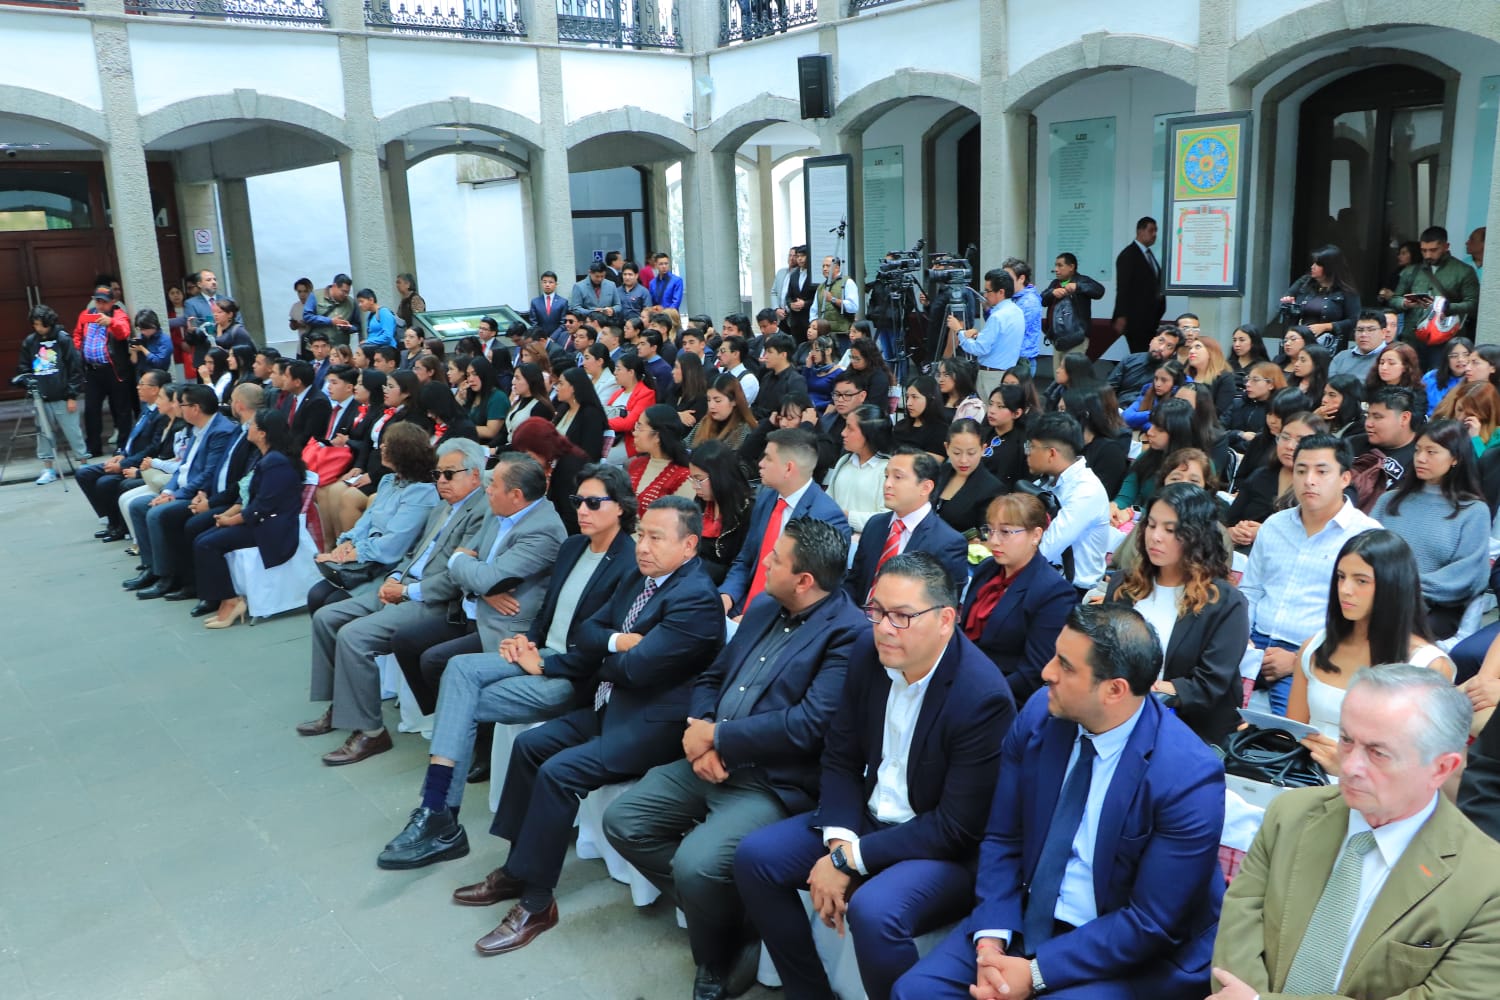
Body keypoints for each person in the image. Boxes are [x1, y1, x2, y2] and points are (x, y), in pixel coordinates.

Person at [893, 604, 1226, 1000]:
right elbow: (1003, 838)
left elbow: (1150, 923)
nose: (1046, 672)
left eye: (1066, 666)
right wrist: (991, 941)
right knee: (914, 991)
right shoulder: (1041, 714)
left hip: (1124, 950)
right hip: (1025, 918)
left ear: (1114, 690)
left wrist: (1035, 973)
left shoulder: (1188, 777)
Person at [603, 518, 868, 1000]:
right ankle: (740, 917)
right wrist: (702, 732)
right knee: (623, 821)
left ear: (804, 580)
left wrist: (719, 738)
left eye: (776, 559)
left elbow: (807, 725)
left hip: (771, 782)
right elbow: (712, 676)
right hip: (709, 757)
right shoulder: (765, 605)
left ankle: (714, 956)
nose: (764, 562)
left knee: (695, 865)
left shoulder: (848, 634)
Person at [737, 551, 1017, 1000]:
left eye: (902, 616)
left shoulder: (981, 697)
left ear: (945, 620)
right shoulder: (869, 653)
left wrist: (849, 860)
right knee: (756, 858)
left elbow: (956, 827)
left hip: (939, 849)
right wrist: (840, 843)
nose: (884, 627)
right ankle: (808, 992)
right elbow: (840, 755)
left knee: (874, 910)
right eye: (877, 611)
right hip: (867, 819)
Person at [454, 497, 722, 955]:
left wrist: (607, 657)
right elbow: (587, 630)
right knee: (530, 746)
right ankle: (518, 868)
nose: (643, 546)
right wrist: (617, 643)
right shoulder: (641, 576)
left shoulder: (695, 598)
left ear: (689, 545)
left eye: (657, 538)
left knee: (559, 772)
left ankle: (537, 903)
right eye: (642, 535)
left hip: (654, 724)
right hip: (611, 706)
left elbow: (637, 670)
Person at [374, 464, 638, 869]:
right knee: (458, 670)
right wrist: (525, 639)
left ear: (620, 507)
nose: (582, 510)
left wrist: (546, 664)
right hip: (536, 653)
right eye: (577, 501)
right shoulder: (573, 546)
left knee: (457, 701)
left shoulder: (629, 562)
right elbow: (546, 610)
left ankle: (439, 815)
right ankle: (438, 812)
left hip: (571, 675)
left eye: (593, 502)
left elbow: (604, 642)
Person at [1209, 665, 1499, 1000]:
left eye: (1378, 753)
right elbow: (1238, 934)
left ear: (1442, 768)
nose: (1349, 766)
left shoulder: (1486, 882)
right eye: (1346, 740)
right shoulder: (1290, 814)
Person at [297, 440, 491, 761]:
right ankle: (342, 707)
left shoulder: (482, 513)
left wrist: (406, 591)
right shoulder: (443, 506)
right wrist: (396, 577)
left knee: (353, 636)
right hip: (404, 586)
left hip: (434, 602)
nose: (441, 481)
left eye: (449, 474)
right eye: (437, 474)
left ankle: (372, 733)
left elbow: (456, 578)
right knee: (326, 618)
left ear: (474, 475)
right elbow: (414, 552)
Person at [1287, 532, 1453, 776]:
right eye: (1341, 577)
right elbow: (1293, 733)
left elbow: (1422, 767)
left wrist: (1350, 768)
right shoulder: (1315, 647)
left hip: (1378, 789)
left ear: (1393, 586)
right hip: (1301, 777)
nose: (1345, 590)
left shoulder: (1429, 666)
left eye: (1361, 581)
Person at [1239, 433, 1381, 714]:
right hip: (1254, 641)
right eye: (1301, 471)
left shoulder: (1366, 537)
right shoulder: (1274, 525)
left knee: (1286, 734)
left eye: (1321, 471)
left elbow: (1363, 620)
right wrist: (1242, 639)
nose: (1309, 480)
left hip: (1315, 653)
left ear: (1345, 478)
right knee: (1210, 714)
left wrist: (1300, 658)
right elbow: (1251, 590)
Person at [1105, 483, 1250, 743]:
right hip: (1117, 716)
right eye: (1151, 525)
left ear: (1197, 536)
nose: (1155, 536)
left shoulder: (1226, 603)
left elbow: (1210, 684)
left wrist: (1150, 689)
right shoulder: (1123, 585)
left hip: (1189, 730)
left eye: (1170, 530)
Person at [1370, 418, 1489, 638]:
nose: (1420, 458)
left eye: (1431, 452)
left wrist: (1404, 585)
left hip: (1435, 607)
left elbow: (1469, 573)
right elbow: (1365, 550)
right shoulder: (1389, 500)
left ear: (1455, 458)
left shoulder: (1473, 511)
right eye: (1417, 450)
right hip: (1377, 596)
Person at [122, 384, 240, 597]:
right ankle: (151, 567)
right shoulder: (195, 429)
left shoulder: (220, 431)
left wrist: (176, 496)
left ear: (195, 408)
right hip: (183, 488)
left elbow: (208, 474)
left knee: (158, 513)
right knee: (138, 506)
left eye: (182, 404)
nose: (179, 408)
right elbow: (182, 468)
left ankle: (167, 577)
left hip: (198, 494)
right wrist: (168, 492)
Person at [720, 427, 850, 618]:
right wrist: (727, 595)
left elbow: (811, 591)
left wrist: (756, 618)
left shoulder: (827, 517)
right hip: (742, 605)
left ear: (788, 468)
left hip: (782, 617)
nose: (760, 464)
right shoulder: (766, 497)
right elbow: (746, 559)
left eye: (768, 458)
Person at [193, 408, 305, 629]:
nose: (248, 429)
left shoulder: (276, 462)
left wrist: (230, 521)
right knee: (201, 538)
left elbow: (261, 507)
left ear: (262, 433)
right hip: (261, 522)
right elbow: (251, 500)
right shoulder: (266, 457)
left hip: (272, 529)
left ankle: (231, 601)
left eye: (252, 425)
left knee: (207, 544)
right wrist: (227, 516)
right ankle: (225, 599)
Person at [310, 422, 439, 612]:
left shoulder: (421, 494)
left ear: (403, 451)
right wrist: (348, 542)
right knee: (316, 595)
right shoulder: (388, 481)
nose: (382, 447)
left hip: (390, 567)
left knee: (332, 602)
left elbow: (394, 544)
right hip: (369, 557)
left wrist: (348, 556)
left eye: (388, 444)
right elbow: (366, 521)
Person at [961, 492, 1076, 704]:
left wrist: (978, 693)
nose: (993, 541)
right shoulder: (987, 569)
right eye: (990, 530)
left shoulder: (1053, 592)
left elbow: (1034, 671)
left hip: (1002, 697)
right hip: (961, 675)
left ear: (1036, 535)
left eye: (1005, 532)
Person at [846, 446, 969, 602]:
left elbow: (944, 604)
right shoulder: (875, 525)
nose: (887, 484)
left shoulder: (947, 543)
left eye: (898, 477)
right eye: (886, 476)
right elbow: (855, 583)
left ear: (925, 487)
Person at [1026, 412, 1112, 596]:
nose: (1028, 452)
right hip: (1046, 576)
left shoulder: (1086, 491)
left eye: (1032, 446)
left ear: (1051, 453)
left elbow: (1047, 548)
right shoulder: (1049, 480)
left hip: (1073, 591)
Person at [78, 370, 172, 537]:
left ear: (155, 389)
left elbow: (153, 448)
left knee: (105, 482)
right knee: (83, 473)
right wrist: (121, 453)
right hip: (128, 457)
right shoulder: (147, 409)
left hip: (139, 463)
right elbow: (133, 437)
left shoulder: (162, 415)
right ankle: (107, 518)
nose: (138, 387)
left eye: (142, 384)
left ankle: (119, 527)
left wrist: (123, 465)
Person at [1225, 411, 1327, 550]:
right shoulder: (1260, 475)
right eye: (1285, 437)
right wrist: (1232, 533)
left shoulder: (1319, 487)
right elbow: (1230, 520)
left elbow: (1315, 540)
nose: (1290, 446)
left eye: (1300, 440)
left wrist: (1266, 533)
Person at [18, 304, 89, 485]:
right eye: (35, 324)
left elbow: (75, 368)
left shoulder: (63, 339)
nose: (38, 328)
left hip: (63, 396)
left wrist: (72, 395)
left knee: (73, 431)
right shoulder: (30, 342)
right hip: (40, 397)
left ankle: (83, 464)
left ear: (49, 322)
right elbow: (24, 367)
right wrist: (30, 385)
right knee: (43, 434)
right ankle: (48, 468)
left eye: (40, 324)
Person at [1392, 225, 1482, 364]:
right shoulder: (1411, 270)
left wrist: (1444, 306)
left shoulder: (1464, 271)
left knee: (1440, 375)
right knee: (1410, 375)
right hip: (1412, 337)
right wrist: (1405, 303)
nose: (1428, 255)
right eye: (1424, 250)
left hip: (1445, 337)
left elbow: (1474, 304)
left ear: (1446, 246)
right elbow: (1394, 299)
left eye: (1433, 250)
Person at [1111, 396, 1198, 524]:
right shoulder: (1146, 457)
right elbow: (1125, 497)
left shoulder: (1195, 467)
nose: (1150, 432)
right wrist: (1114, 507)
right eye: (1152, 425)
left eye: (1159, 429)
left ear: (1178, 433)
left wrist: (1132, 513)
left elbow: (1178, 512)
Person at [71, 287, 134, 458]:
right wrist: (78, 350)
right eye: (98, 301)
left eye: (104, 302)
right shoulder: (86, 314)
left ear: (112, 302)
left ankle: (123, 446)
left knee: (121, 409)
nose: (100, 305)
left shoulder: (118, 315)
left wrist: (110, 322)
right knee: (91, 409)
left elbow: (124, 333)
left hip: (114, 370)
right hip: (93, 370)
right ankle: (93, 447)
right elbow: (77, 335)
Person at [949, 269, 1024, 399]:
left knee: (989, 410)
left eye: (988, 291)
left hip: (991, 376)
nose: (985, 295)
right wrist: (978, 336)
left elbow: (979, 349)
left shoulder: (997, 316)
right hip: (1008, 373)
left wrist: (959, 331)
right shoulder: (1017, 311)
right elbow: (1001, 340)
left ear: (1001, 292)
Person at [824, 404, 893, 533]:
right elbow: (828, 500)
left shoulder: (887, 470)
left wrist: (846, 517)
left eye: (850, 428)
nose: (843, 433)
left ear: (869, 435)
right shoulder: (844, 461)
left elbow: (887, 518)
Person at [1280, 245, 1363, 351]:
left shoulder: (1346, 291)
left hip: (1328, 346)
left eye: (1318, 264)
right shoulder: (1305, 282)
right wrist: (1288, 303)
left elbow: (1354, 321)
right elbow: (1285, 299)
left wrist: (1326, 326)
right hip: (1299, 341)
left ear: (1330, 267)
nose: (1312, 267)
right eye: (1313, 263)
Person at [933, 418, 1005, 537]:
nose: (963, 460)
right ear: (947, 448)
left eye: (971, 453)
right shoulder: (940, 471)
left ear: (983, 449)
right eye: (957, 453)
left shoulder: (992, 488)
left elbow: (986, 535)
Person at [1351, 384, 1424, 497]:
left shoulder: (1420, 459)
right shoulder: (1353, 443)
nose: (1368, 424)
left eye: (1377, 417)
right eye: (1367, 416)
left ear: (1404, 418)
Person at [627, 404, 696, 519]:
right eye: (636, 426)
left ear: (657, 436)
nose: (634, 433)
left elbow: (680, 522)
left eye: (640, 427)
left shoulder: (683, 477)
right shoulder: (636, 465)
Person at [1061, 385, 1130, 497]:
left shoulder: (1109, 452)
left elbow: (1096, 497)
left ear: (1084, 415)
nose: (1058, 417)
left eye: (1063, 411)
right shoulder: (1066, 444)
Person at [1112, 217, 1166, 353]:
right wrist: (1121, 315)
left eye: (1156, 231)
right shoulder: (1128, 255)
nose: (1154, 234)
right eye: (1151, 230)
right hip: (1136, 320)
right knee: (1140, 355)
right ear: (1140, 231)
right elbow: (1123, 288)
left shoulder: (1149, 254)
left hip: (1151, 319)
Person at [1107, 325, 1181, 409]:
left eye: (1169, 346)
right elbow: (1110, 388)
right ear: (1152, 341)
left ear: (1173, 353)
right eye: (1160, 341)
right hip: (1118, 409)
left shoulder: (1171, 372)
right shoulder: (1129, 360)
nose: (1161, 348)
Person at [980, 383, 1032, 491]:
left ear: (1017, 413)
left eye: (1000, 406)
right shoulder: (981, 433)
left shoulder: (1025, 443)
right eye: (991, 404)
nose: (992, 411)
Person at [604, 354, 656, 458]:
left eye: (618, 369)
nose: (615, 373)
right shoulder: (617, 393)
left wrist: (602, 422)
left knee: (600, 458)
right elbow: (606, 413)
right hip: (610, 438)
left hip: (628, 443)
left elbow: (629, 423)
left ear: (631, 372)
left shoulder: (646, 394)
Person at [690, 373, 757, 452]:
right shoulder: (705, 421)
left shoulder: (744, 431)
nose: (711, 406)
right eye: (708, 400)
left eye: (717, 400)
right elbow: (685, 446)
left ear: (734, 401)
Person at [551, 366, 606, 460]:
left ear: (573, 388)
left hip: (575, 465)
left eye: (561, 384)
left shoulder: (591, 414)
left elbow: (590, 452)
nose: (557, 388)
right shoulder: (563, 408)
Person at [1122, 357, 1186, 431]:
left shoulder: (1180, 401)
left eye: (1164, 380)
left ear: (1175, 383)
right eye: (1156, 378)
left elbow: (1166, 429)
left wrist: (1140, 421)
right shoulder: (1148, 391)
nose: (1157, 384)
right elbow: (1126, 417)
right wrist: (1153, 414)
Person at [894, 374, 947, 457]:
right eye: (907, 397)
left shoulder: (940, 431)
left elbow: (930, 463)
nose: (908, 403)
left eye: (914, 397)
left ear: (931, 399)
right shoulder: (900, 425)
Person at [1328, 309, 1386, 382]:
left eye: (1370, 330)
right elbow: (1330, 384)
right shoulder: (1341, 357)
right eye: (1360, 330)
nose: (1364, 334)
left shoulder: (1389, 359)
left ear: (1383, 333)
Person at [1423, 336, 1474, 415]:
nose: (1460, 359)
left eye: (1466, 355)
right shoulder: (1431, 377)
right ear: (1446, 359)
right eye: (1454, 356)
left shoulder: (1476, 380)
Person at [302, 274, 357, 346]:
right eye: (343, 291)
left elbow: (357, 325)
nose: (346, 295)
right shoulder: (316, 295)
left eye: (348, 292)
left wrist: (348, 328)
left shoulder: (351, 302)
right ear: (334, 286)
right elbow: (307, 317)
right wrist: (330, 321)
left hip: (340, 349)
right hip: (318, 348)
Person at [1186, 337, 1236, 415]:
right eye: (1190, 348)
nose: (1191, 351)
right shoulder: (1185, 376)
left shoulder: (1225, 378)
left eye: (1198, 347)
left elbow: (1220, 411)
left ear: (1211, 352)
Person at [1227, 323, 1272, 395]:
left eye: (1242, 340)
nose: (1237, 344)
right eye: (1234, 340)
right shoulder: (1226, 364)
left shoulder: (1263, 366)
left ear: (1253, 342)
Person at [525, 271, 568, 347]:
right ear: (541, 283)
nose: (547, 285)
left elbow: (563, 323)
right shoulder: (535, 302)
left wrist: (553, 337)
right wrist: (542, 337)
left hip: (558, 338)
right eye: (544, 282)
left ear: (556, 284)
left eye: (550, 282)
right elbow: (534, 322)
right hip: (540, 339)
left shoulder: (563, 302)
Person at [937, 356, 985, 422]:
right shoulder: (936, 399)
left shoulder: (972, 406)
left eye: (946, 375)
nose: (940, 380)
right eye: (939, 375)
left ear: (960, 376)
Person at [1318, 373, 1365, 438]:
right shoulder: (1321, 417)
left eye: (1332, 395)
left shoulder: (1360, 427)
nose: (1324, 400)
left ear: (1348, 399)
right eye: (1324, 394)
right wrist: (1314, 419)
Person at [673, 351, 708, 428]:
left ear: (687, 371)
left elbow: (686, 426)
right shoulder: (674, 388)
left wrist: (672, 416)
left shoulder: (701, 400)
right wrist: (677, 415)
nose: (672, 371)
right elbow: (661, 411)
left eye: (676, 367)